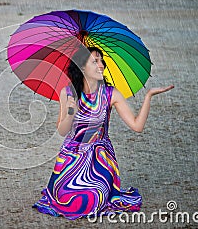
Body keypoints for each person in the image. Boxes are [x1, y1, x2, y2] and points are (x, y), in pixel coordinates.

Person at [32, 46, 174, 220]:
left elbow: (137, 126)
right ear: (82, 67)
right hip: (70, 158)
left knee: (93, 199)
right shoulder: (68, 92)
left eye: (101, 61)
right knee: (66, 199)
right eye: (95, 61)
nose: (101, 65)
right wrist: (70, 111)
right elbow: (62, 131)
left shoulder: (110, 93)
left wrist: (149, 96)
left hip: (100, 158)